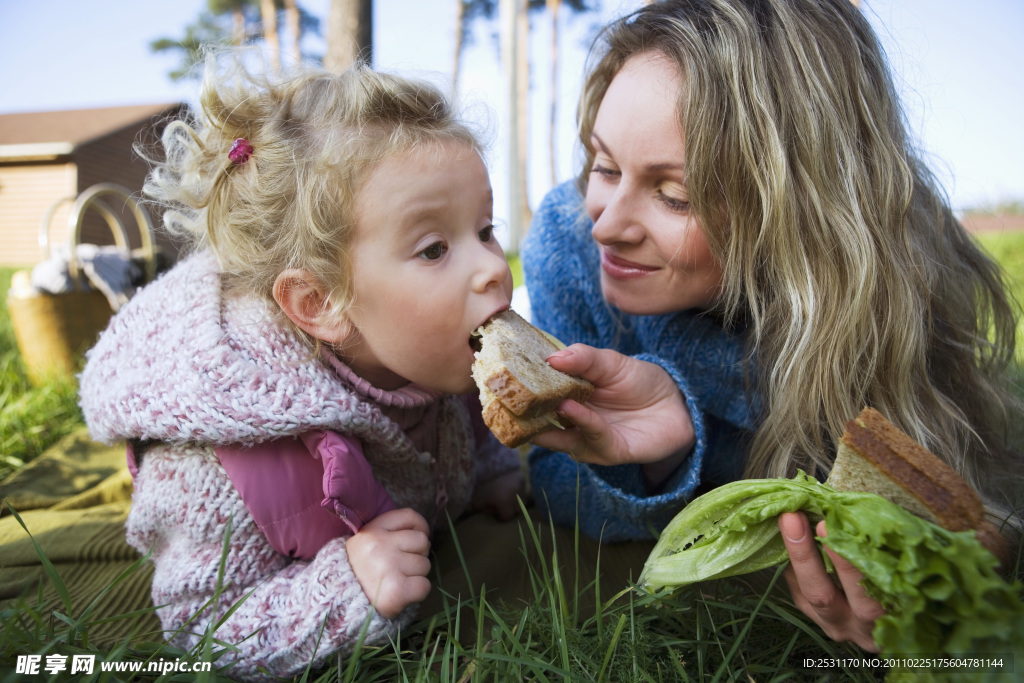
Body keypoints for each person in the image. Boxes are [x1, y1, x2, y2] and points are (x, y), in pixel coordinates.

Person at [523, 0, 1022, 652]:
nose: (606, 222)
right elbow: (553, 478)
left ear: (799, 207)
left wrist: (937, 581)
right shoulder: (570, 244)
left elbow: (961, 495)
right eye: (603, 165)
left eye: (675, 195)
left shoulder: (876, 295)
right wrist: (667, 453)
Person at [78, 53, 524, 680]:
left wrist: (495, 467)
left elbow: (462, 414)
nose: (492, 267)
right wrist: (348, 588)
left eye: (485, 228)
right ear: (321, 303)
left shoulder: (431, 348)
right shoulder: (213, 464)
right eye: (433, 248)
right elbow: (203, 627)